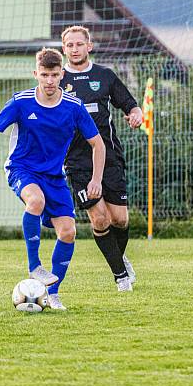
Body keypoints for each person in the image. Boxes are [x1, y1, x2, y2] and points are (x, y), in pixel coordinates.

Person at [0, 48, 105, 311]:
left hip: (54, 176)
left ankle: (52, 294)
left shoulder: (73, 107)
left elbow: (97, 144)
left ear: (62, 74)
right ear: (36, 74)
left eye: (54, 75)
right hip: (22, 169)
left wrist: (96, 179)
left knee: (68, 232)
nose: (50, 80)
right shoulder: (21, 102)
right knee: (35, 200)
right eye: (44, 75)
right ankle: (35, 266)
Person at [60, 25, 143, 292]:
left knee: (119, 219)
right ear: (64, 49)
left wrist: (136, 114)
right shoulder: (57, 81)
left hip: (109, 156)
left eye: (79, 44)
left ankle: (119, 258)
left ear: (89, 46)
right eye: (70, 45)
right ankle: (121, 276)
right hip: (78, 163)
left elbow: (129, 103)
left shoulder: (104, 76)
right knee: (99, 220)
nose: (75, 49)